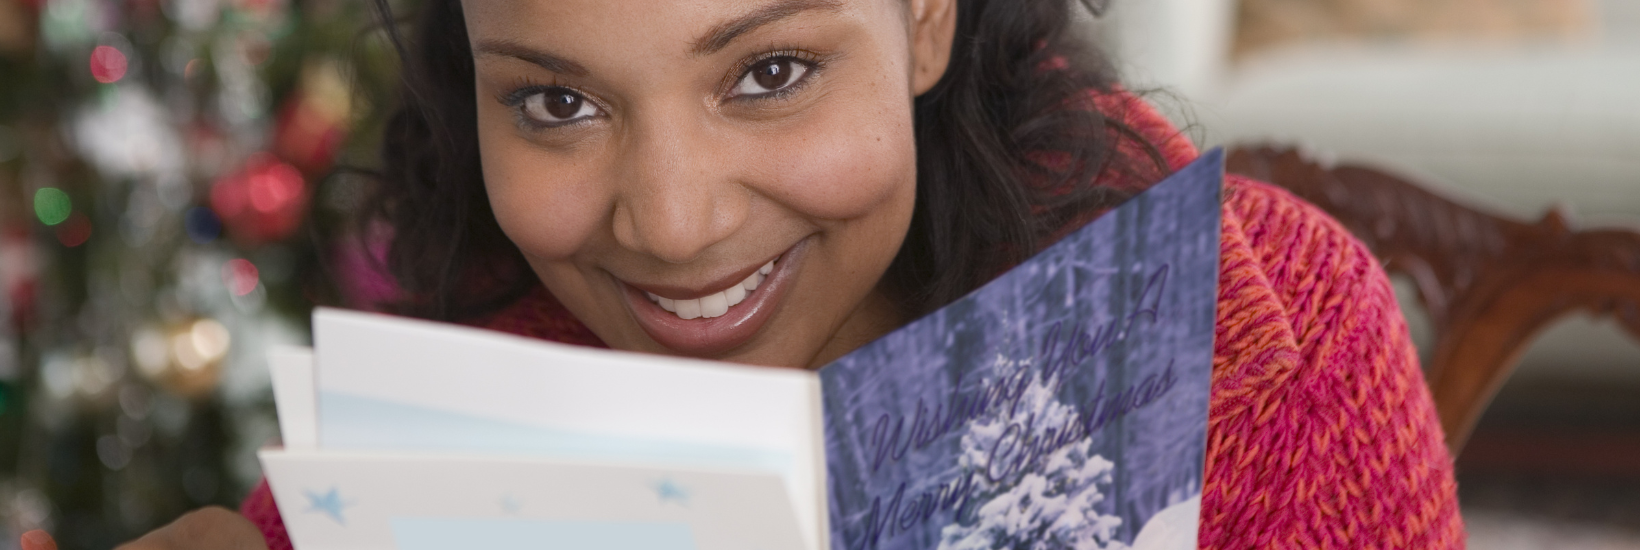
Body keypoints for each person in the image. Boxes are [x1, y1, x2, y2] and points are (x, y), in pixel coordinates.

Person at [25, 0, 1467, 548]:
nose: (668, 222)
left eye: (769, 73)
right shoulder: (487, 397)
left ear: (922, 20)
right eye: (555, 102)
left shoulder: (1269, 337)